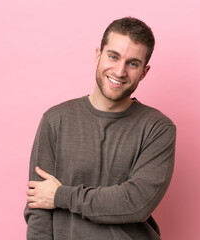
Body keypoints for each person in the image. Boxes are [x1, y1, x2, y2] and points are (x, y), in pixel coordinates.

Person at [24, 17, 176, 240]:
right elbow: (39, 211)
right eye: (113, 57)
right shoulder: (55, 120)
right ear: (98, 54)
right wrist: (52, 198)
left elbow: (135, 202)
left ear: (144, 71)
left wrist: (60, 196)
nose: (120, 71)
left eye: (133, 63)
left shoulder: (158, 128)